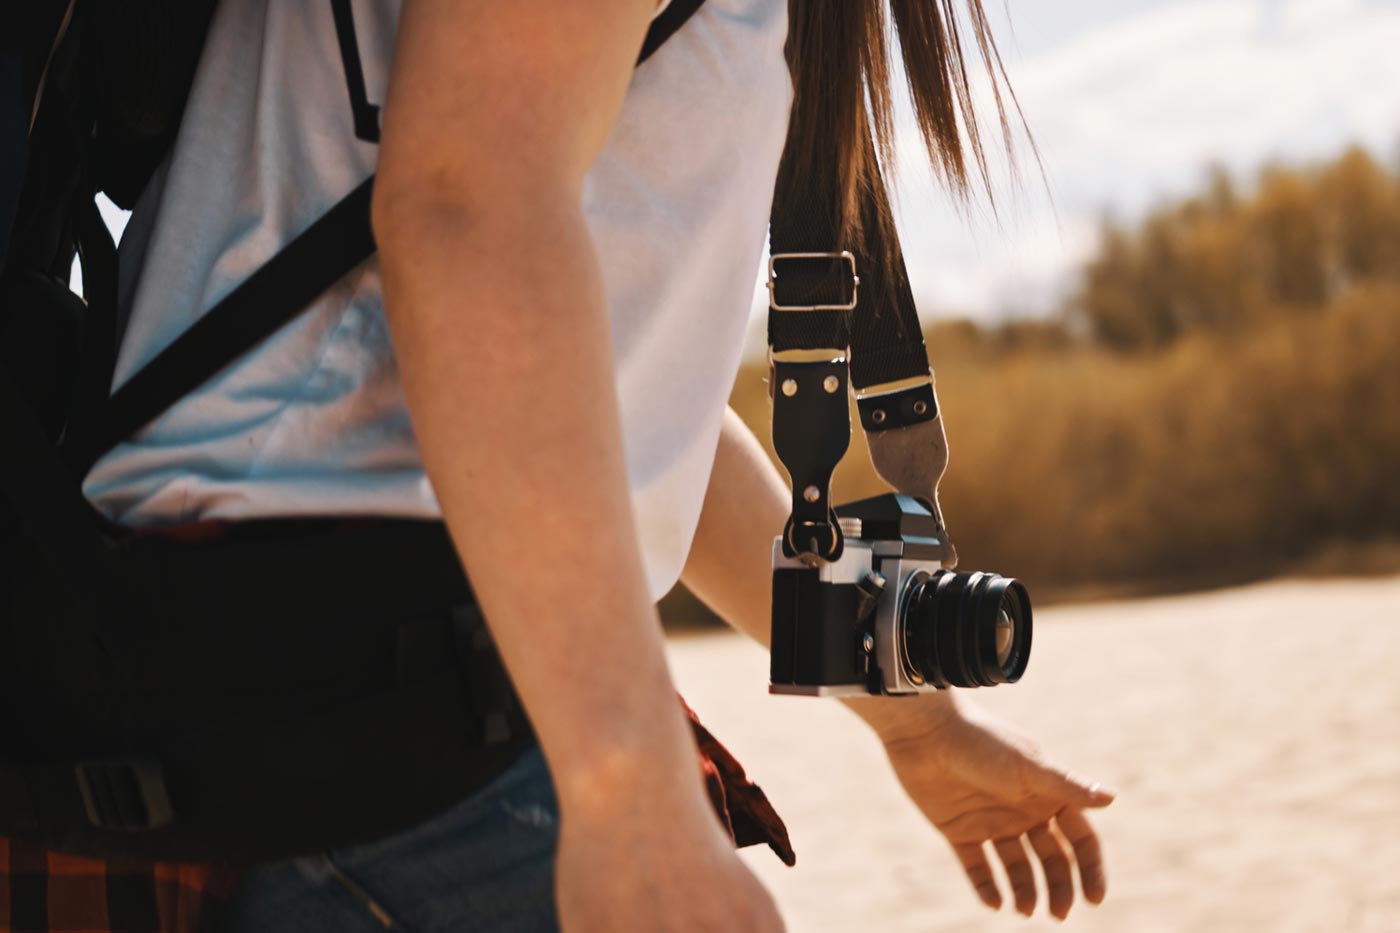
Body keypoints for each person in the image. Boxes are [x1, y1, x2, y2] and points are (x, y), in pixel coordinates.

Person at [25, 0, 1117, 930]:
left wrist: (913, 715)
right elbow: (463, 214)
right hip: (337, 685)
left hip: (311, 678)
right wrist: (622, 784)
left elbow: (632, 428)